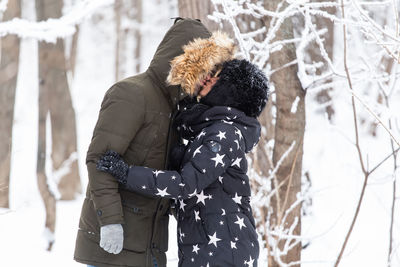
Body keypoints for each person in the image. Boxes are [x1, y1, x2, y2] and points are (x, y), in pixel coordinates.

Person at [97, 32, 269, 267]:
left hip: (223, 250)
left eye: (219, 78)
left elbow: (186, 184)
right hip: (205, 247)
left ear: (234, 94)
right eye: (212, 73)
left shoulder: (225, 133)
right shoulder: (209, 129)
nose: (209, 78)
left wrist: (127, 174)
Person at [73, 18, 211, 267]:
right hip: (113, 246)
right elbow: (99, 159)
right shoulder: (131, 93)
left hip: (149, 247)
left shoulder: (175, 107)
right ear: (178, 58)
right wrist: (111, 221)